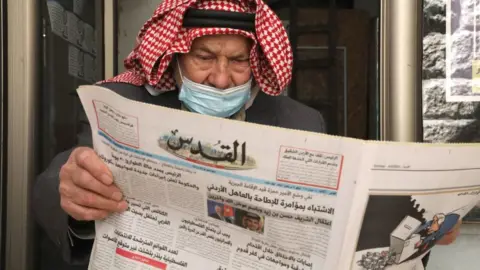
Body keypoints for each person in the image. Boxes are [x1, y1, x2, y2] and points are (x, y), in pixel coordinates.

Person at [31, 0, 459, 269]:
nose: (220, 79)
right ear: (177, 56)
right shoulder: (123, 102)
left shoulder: (301, 122)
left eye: (238, 62)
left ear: (257, 63)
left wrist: (419, 230)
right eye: (204, 57)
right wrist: (70, 192)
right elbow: (56, 180)